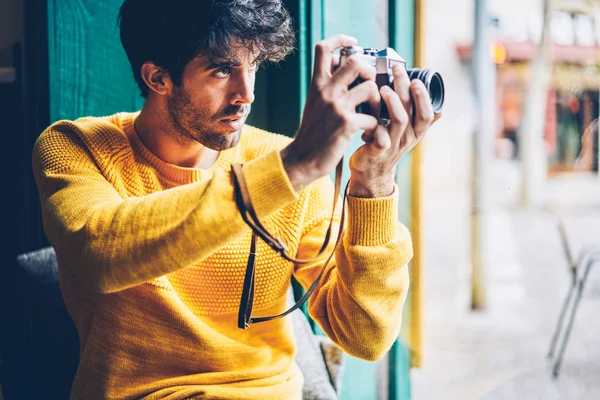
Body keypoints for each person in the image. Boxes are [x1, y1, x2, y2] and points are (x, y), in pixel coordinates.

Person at [31, 0, 439, 398]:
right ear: (158, 77)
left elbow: (365, 336)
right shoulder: (75, 147)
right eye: (222, 70)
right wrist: (293, 167)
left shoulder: (284, 168)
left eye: (254, 66)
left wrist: (375, 182)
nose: (247, 95)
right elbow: (101, 256)